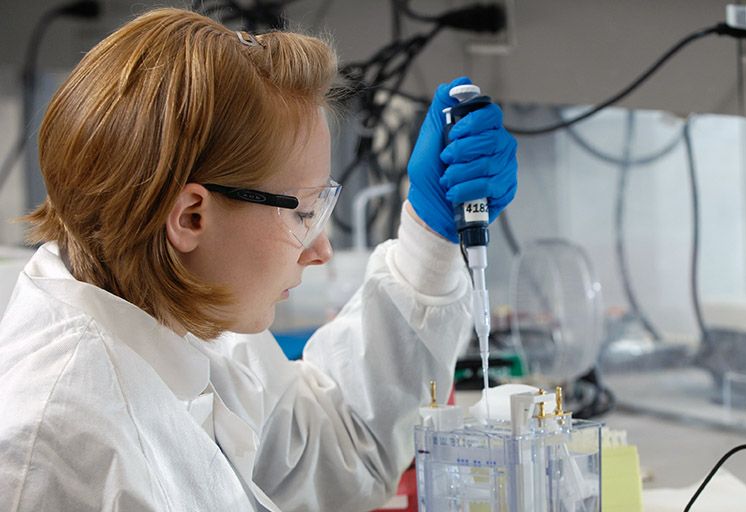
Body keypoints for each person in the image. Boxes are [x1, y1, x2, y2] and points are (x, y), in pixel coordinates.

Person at [0, 7, 517, 512]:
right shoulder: (58, 448)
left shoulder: (175, 312)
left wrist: (430, 232)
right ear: (190, 218)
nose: (320, 249)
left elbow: (339, 448)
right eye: (304, 213)